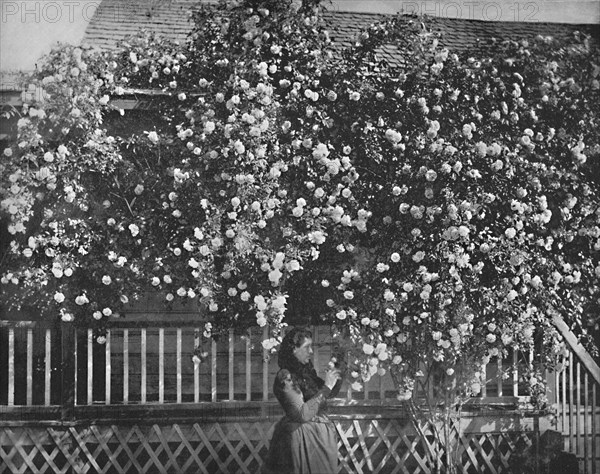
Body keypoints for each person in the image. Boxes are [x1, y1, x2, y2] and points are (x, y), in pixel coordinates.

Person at [262, 327, 343, 474]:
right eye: (306, 347)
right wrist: (327, 387)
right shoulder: (286, 377)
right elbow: (302, 414)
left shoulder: (305, 373)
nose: (311, 352)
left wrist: (337, 373)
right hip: (301, 440)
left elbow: (328, 395)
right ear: (293, 350)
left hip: (320, 441)